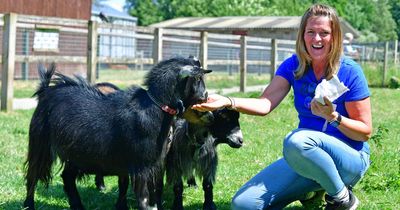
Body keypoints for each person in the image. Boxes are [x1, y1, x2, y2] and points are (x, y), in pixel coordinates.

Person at [193, 4, 371, 210]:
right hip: (305, 157)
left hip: (349, 160)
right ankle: (312, 190)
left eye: (324, 33)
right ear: (302, 35)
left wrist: (333, 117)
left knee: (297, 141)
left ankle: (341, 198)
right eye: (310, 32)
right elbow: (265, 103)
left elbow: (364, 133)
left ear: (335, 36)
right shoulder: (294, 65)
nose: (317, 39)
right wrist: (227, 101)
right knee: (243, 205)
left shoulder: (350, 72)